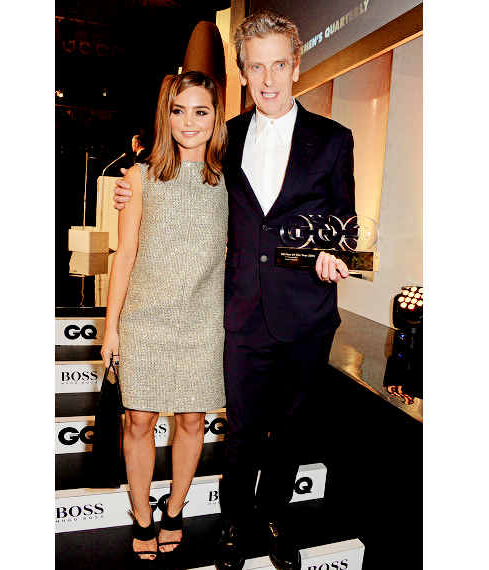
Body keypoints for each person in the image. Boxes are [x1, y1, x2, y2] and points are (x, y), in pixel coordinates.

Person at [113, 11, 356, 570]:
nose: (268, 79)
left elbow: (344, 220)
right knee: (242, 433)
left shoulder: (334, 140)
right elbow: (180, 172)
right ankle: (234, 524)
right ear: (243, 73)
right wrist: (134, 188)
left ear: (297, 65)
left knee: (291, 432)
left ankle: (274, 521)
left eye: (278, 65)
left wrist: (334, 251)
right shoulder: (227, 138)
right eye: (256, 67)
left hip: (307, 313)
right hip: (241, 311)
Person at [101, 70, 228, 562]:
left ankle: (175, 510)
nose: (189, 122)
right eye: (179, 111)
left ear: (216, 117)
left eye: (201, 111)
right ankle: (142, 517)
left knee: (193, 421)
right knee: (138, 422)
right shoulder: (140, 177)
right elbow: (125, 254)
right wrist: (111, 328)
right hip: (145, 320)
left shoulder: (228, 181)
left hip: (202, 321)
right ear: (165, 114)